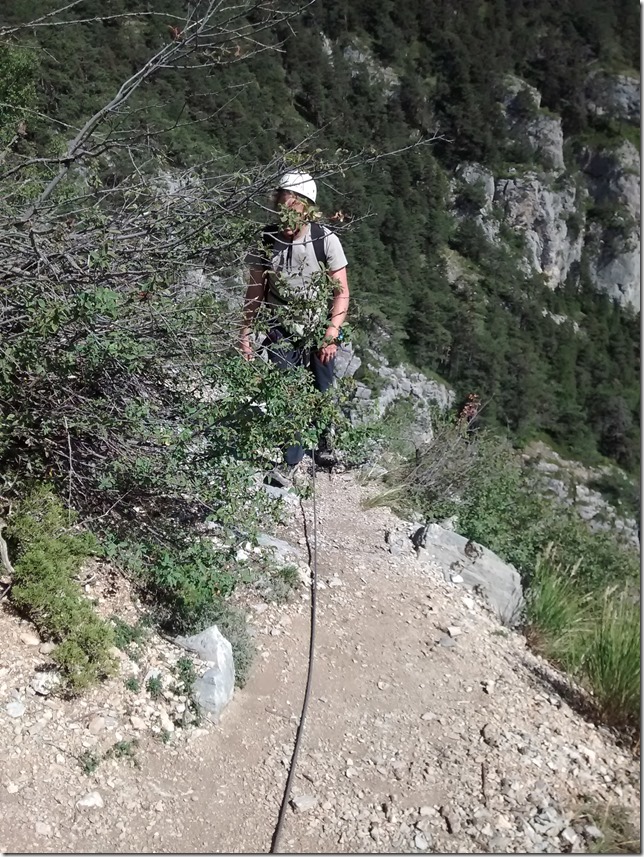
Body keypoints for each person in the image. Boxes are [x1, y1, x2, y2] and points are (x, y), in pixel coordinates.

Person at [239, 171, 349, 473]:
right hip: (279, 326)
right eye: (282, 208)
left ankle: (324, 437)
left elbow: (341, 295)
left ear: (307, 209)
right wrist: (245, 334)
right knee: (286, 390)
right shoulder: (266, 240)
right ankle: (291, 458)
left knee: (322, 386)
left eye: (293, 210)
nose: (286, 218)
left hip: (316, 325)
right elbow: (255, 293)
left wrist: (332, 333)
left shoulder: (325, 240)